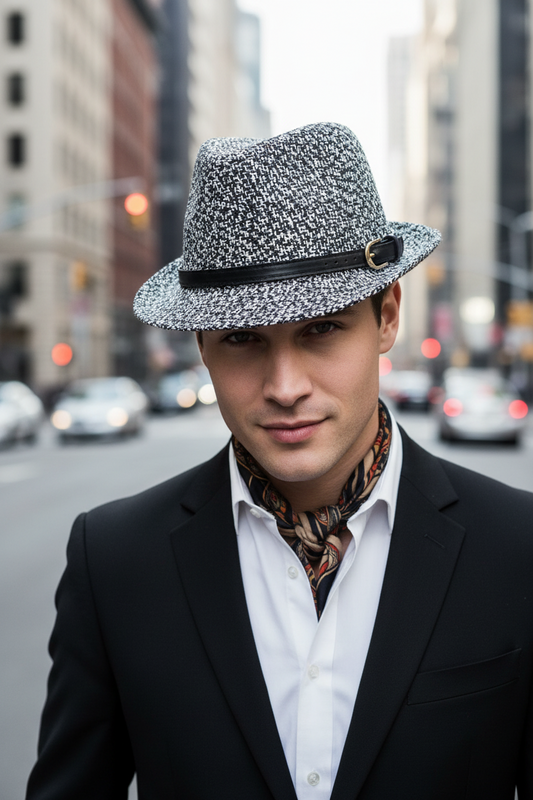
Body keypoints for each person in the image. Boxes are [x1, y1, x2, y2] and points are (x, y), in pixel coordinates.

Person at [27, 122, 533, 800]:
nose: (285, 386)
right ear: (202, 345)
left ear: (386, 317)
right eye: (242, 338)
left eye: (320, 328)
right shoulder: (114, 560)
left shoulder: (517, 547)